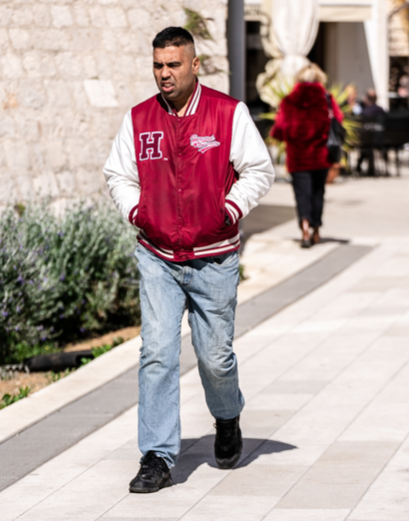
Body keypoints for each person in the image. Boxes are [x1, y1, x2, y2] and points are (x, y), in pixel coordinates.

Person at [103, 27, 274, 493]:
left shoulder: (227, 114)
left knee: (215, 357)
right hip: (157, 256)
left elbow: (260, 169)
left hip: (212, 258)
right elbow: (118, 174)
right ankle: (156, 455)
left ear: (194, 65)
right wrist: (138, 211)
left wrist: (229, 210)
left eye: (173, 65)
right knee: (157, 352)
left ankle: (227, 416)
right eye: (158, 65)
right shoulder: (139, 119)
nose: (164, 74)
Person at [268, 63, 340, 248]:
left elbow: (279, 129)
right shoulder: (327, 99)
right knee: (318, 193)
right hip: (321, 155)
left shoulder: (288, 101)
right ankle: (316, 230)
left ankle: (305, 229)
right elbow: (338, 121)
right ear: (319, 78)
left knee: (301, 194)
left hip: (297, 157)